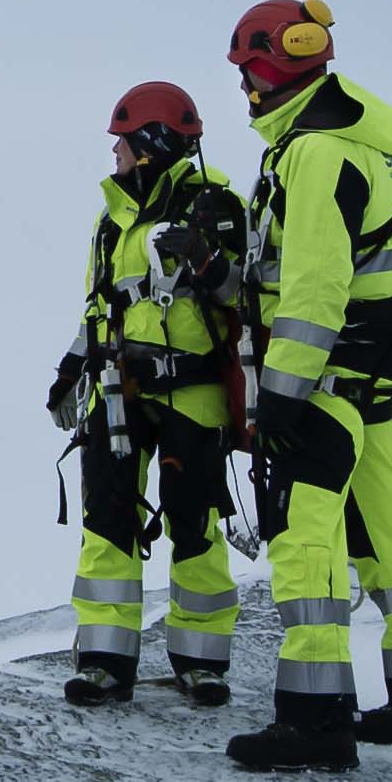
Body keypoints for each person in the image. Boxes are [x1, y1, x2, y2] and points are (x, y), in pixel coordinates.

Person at [218, 0, 392, 773]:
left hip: (325, 383)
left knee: (307, 543)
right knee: (390, 538)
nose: (243, 90)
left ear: (269, 69)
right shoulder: (354, 143)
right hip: (366, 380)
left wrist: (283, 396)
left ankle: (315, 718)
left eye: (245, 74)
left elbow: (317, 286)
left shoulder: (317, 154)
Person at [51, 82, 250, 711]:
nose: (115, 149)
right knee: (107, 523)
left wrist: (207, 262)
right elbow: (99, 304)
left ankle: (202, 664)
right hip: (116, 389)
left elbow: (250, 298)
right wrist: (71, 367)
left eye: (125, 138)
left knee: (195, 525)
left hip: (192, 393)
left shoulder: (219, 207)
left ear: (154, 142)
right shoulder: (109, 221)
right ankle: (106, 662)